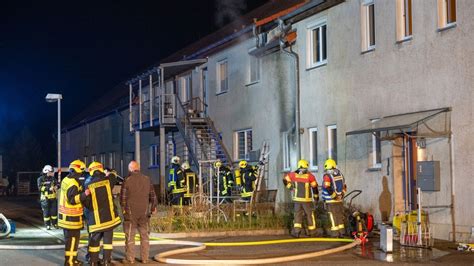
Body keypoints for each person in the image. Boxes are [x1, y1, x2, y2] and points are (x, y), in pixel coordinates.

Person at [83, 162, 122, 266]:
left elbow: (86, 203)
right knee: (108, 241)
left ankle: (93, 262)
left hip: (95, 220)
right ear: (101, 170)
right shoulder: (108, 181)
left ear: (91, 171)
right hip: (109, 219)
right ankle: (106, 262)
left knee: (94, 242)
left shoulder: (88, 184)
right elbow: (113, 175)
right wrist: (110, 172)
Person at [121, 161, 157, 264]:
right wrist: (153, 208)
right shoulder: (147, 179)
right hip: (144, 213)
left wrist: (124, 210)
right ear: (139, 168)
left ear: (130, 169)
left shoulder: (127, 180)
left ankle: (130, 259)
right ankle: (145, 258)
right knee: (144, 236)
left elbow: (122, 200)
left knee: (130, 237)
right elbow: (153, 196)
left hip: (130, 214)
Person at [58, 160, 89, 266]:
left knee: (70, 241)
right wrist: (84, 194)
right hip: (72, 219)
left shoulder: (66, 180)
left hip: (65, 218)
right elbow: (72, 200)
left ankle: (72, 260)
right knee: (72, 241)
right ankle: (70, 262)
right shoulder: (73, 184)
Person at [283, 159, 319, 238]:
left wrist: (290, 187)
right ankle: (312, 232)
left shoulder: (293, 174)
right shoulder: (310, 176)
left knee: (297, 215)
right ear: (306, 167)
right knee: (309, 215)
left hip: (297, 200)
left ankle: (296, 232)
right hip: (307, 200)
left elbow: (285, 180)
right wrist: (316, 198)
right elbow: (315, 188)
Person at [322, 158, 347, 237]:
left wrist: (334, 197)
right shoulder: (340, 174)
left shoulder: (327, 176)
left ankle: (335, 233)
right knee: (339, 215)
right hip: (339, 200)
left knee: (333, 216)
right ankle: (342, 232)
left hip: (331, 201)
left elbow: (327, 187)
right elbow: (344, 186)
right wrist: (341, 195)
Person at [37, 165, 58, 229]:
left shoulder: (53, 178)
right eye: (50, 172)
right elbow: (40, 188)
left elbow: (58, 184)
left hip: (53, 198)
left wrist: (57, 186)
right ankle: (47, 225)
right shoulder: (40, 179)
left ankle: (54, 224)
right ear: (46, 172)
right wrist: (48, 189)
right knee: (46, 213)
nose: (51, 173)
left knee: (54, 212)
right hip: (45, 199)